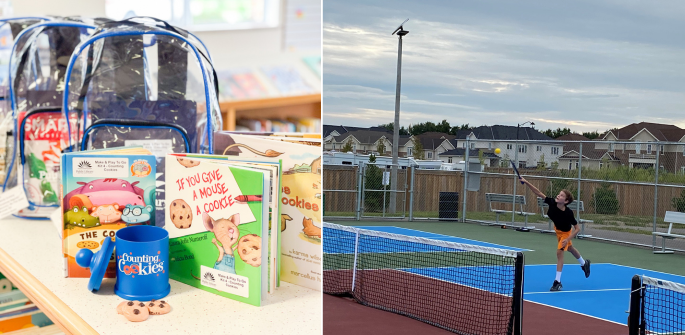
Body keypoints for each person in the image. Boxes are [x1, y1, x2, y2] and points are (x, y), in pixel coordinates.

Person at [519, 177, 591, 291]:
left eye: (562, 195)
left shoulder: (568, 213)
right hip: (557, 230)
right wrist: (526, 182)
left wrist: (567, 239)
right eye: (559, 194)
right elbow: (538, 192)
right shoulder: (552, 202)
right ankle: (584, 263)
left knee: (559, 253)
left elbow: (577, 229)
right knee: (570, 248)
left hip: (566, 233)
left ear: (566, 201)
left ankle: (557, 281)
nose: (558, 196)